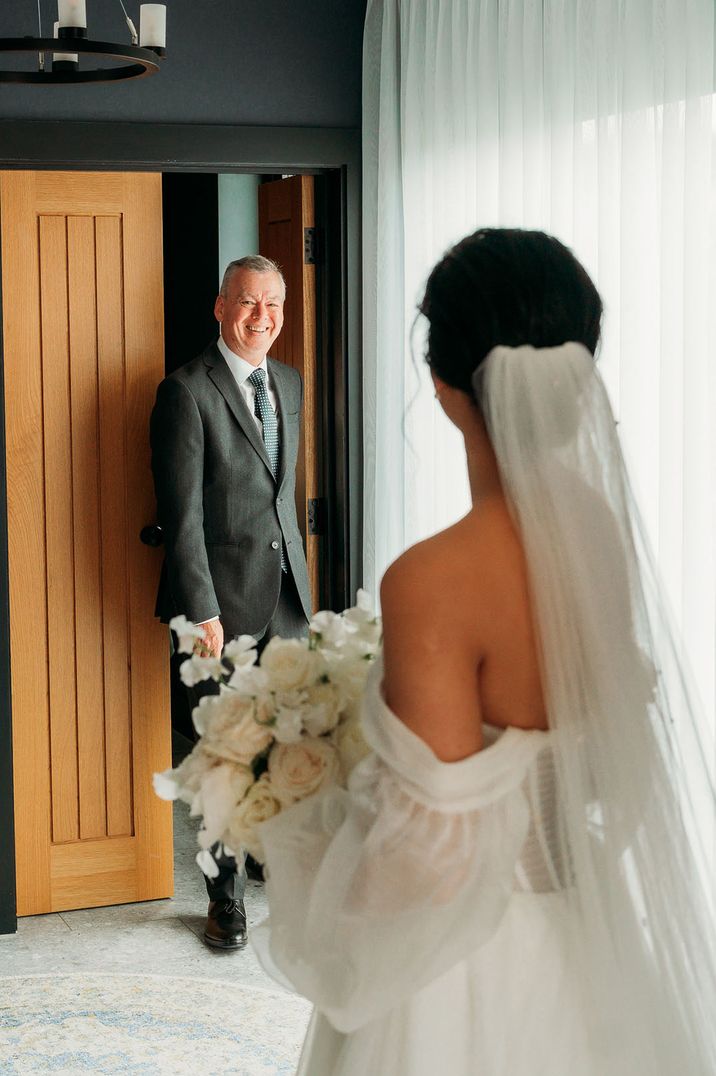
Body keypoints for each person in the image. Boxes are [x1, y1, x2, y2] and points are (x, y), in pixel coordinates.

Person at [251, 229, 716, 1073]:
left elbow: (431, 856)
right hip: (582, 939)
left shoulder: (433, 578)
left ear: (443, 387)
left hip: (461, 977)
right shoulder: (601, 536)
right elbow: (601, 772)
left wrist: (306, 839)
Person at [151, 254, 312, 951]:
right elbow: (181, 517)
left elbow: (283, 500)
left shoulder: (292, 383)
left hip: (287, 602)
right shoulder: (185, 391)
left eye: (272, 304)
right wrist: (204, 613)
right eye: (248, 303)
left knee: (281, 747)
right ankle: (225, 901)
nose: (262, 317)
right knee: (222, 755)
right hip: (217, 609)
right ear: (221, 308)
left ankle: (267, 856)